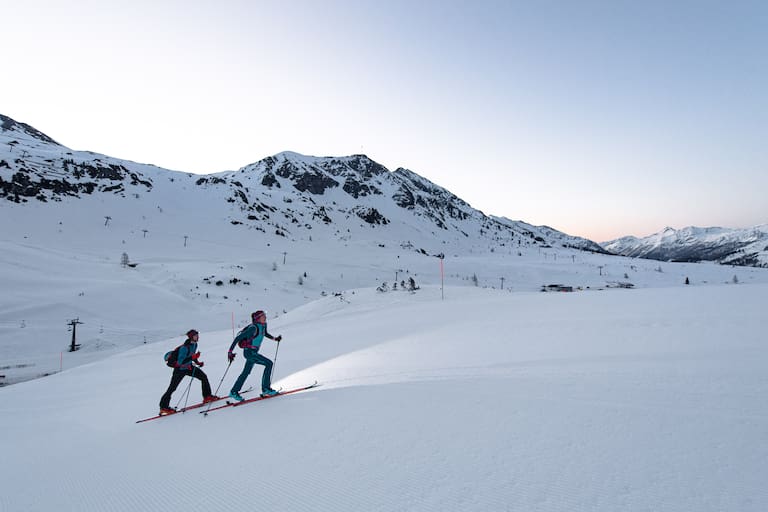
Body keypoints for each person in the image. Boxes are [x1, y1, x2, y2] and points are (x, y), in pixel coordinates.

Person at [159, 329, 219, 415]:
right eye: (195, 336)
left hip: (189, 367)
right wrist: (192, 358)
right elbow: (180, 362)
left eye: (197, 335)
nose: (197, 337)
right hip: (180, 370)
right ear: (191, 337)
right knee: (172, 388)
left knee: (203, 377)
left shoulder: (194, 345)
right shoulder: (184, 348)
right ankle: (163, 407)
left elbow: (192, 356)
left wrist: (198, 362)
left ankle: (207, 396)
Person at [228, 310, 282, 401]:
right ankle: (266, 389)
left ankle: (234, 391)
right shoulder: (253, 328)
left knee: (246, 372)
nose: (265, 317)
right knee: (269, 364)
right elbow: (238, 338)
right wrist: (230, 352)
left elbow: (265, 334)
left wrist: (275, 339)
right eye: (263, 316)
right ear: (258, 319)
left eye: (265, 315)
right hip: (249, 353)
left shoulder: (263, 325)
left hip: (254, 352)